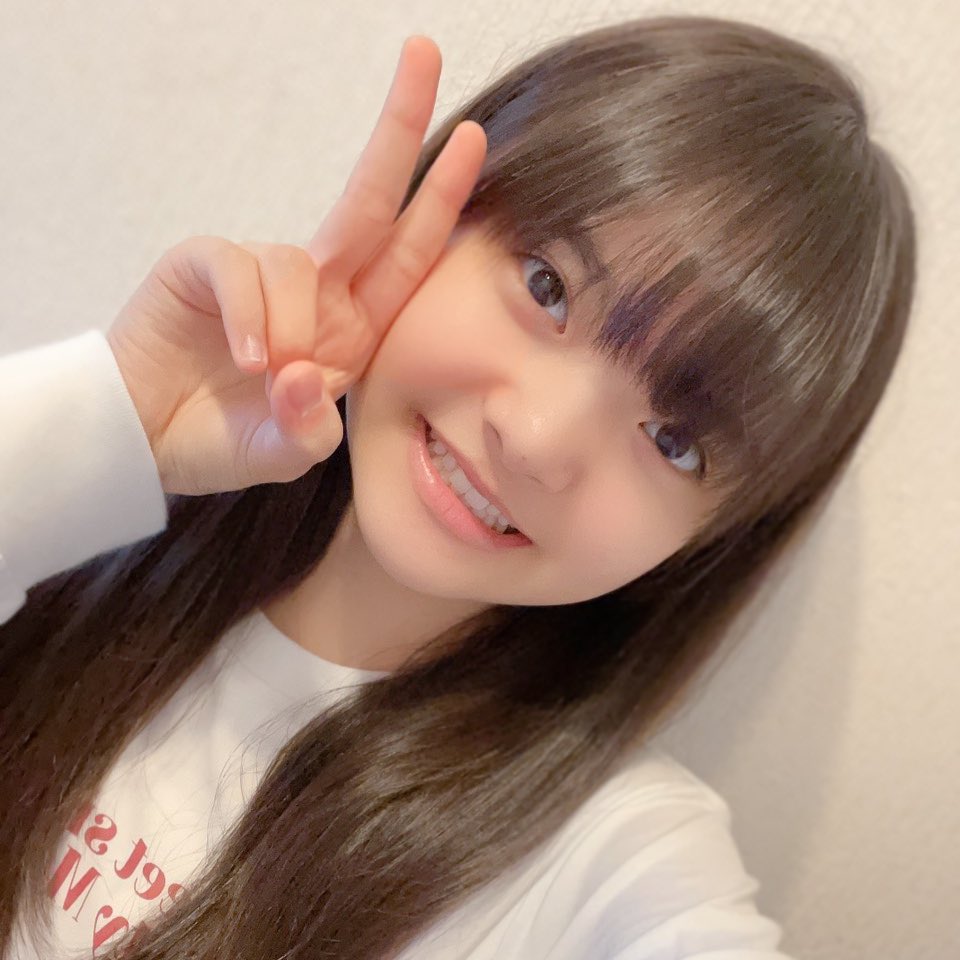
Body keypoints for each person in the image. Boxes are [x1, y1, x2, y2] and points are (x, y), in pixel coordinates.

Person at [0, 13, 915, 960]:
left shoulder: (609, 863)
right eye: (549, 286)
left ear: (714, 537)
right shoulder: (72, 525)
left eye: (675, 441)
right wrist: (105, 430)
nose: (536, 438)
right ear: (433, 215)